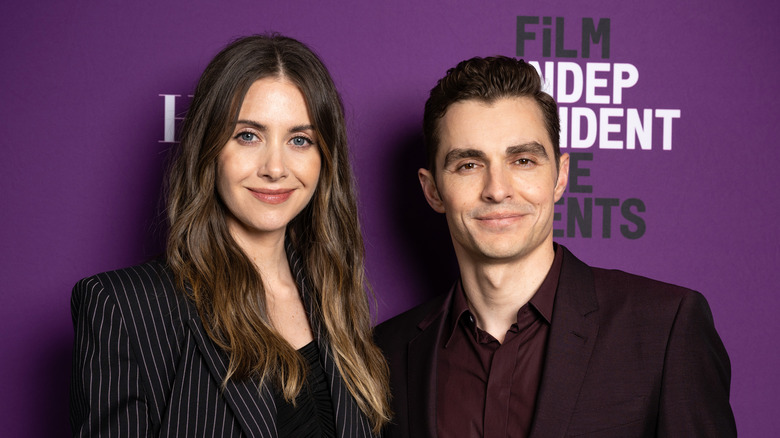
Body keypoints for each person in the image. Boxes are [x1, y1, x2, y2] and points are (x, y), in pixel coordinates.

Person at [375, 56, 736, 437]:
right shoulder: (385, 354)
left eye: (524, 160)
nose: (497, 189)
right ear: (432, 190)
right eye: (468, 165)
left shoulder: (664, 328)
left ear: (561, 176)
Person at [70, 35, 391, 437]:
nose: (275, 167)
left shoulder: (336, 299)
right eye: (248, 136)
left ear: (324, 160)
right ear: (208, 148)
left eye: (299, 140)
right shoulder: (125, 307)